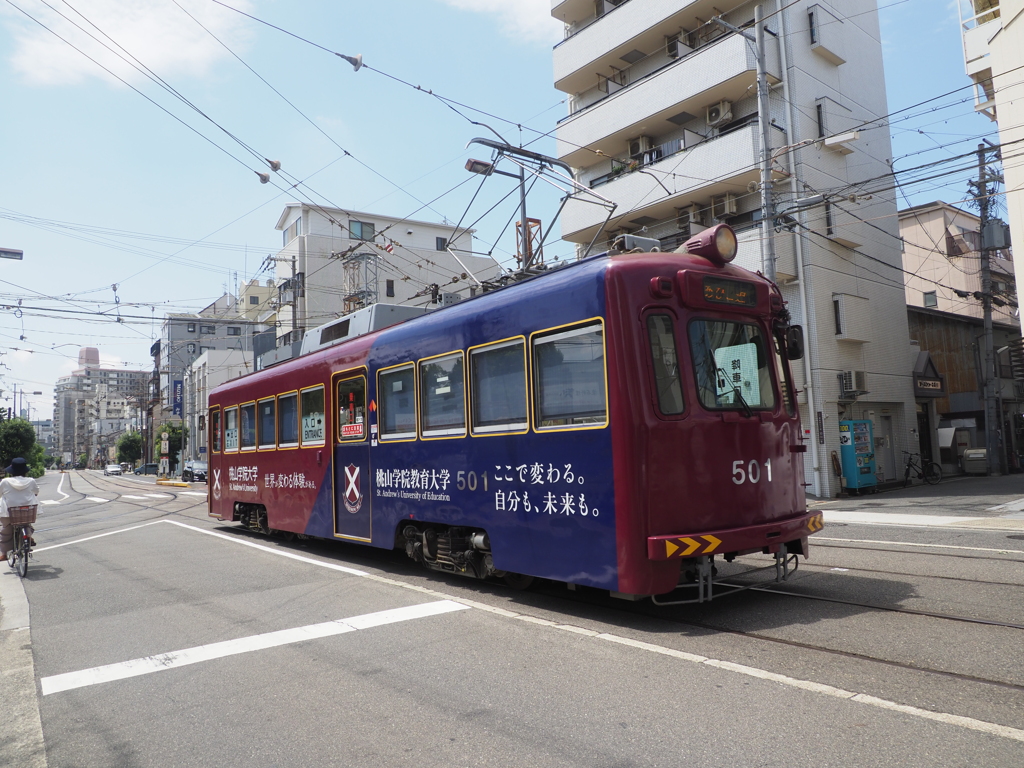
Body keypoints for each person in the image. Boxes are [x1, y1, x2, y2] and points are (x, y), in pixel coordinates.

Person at [0, 458, 39, 562]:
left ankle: (3, 554)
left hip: (8, 513)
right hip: (27, 512)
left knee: (6, 531)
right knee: (26, 524)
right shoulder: (31, 481)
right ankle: (28, 536)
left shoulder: (5, 481)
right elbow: (36, 491)